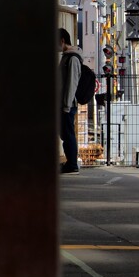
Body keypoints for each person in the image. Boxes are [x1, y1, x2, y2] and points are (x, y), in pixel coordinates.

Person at [58, 27, 82, 174]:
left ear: (62, 41)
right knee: (65, 133)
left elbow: (71, 84)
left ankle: (72, 164)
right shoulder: (67, 56)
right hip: (64, 103)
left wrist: (66, 105)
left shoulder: (72, 58)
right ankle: (70, 163)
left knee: (68, 134)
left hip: (68, 104)